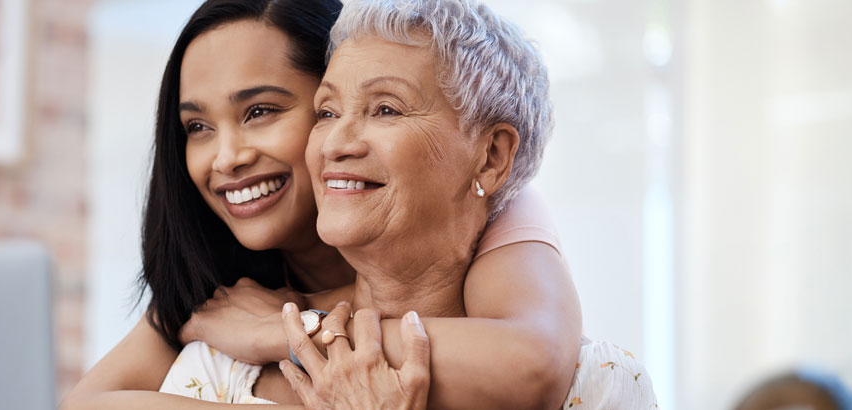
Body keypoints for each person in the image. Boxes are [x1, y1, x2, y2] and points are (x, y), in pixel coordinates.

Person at [60, 0, 593, 408]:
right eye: (197, 126)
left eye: (260, 112)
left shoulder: (492, 203)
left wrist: (296, 332)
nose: (226, 158)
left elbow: (533, 361)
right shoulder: (215, 280)